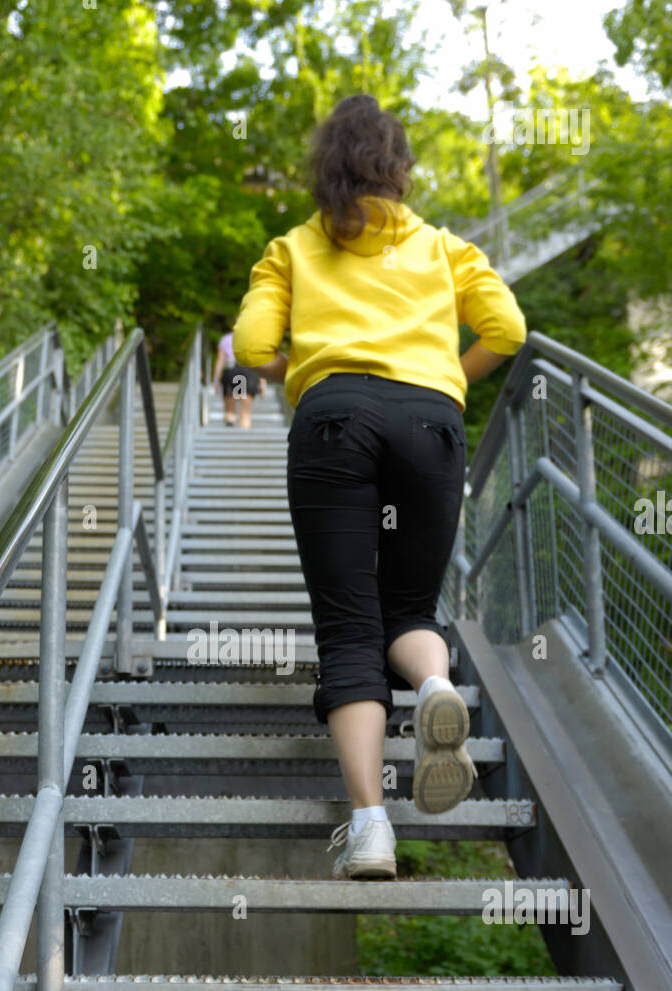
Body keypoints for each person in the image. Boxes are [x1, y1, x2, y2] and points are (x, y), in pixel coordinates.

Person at [232, 94, 527, 880]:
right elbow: (507, 330)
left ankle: (370, 830)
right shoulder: (442, 247)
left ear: (324, 169)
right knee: (408, 609)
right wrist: (442, 383)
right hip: (429, 426)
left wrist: (300, 376)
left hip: (332, 422)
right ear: (400, 170)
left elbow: (253, 343)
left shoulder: (292, 247)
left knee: (347, 627)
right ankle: (434, 683)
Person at [212, 326, 262, 427]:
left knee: (230, 411)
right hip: (248, 372)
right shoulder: (254, 339)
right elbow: (260, 361)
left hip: (232, 372)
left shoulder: (226, 339)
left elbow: (220, 361)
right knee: (245, 413)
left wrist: (216, 380)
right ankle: (243, 436)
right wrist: (263, 382)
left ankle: (230, 425)